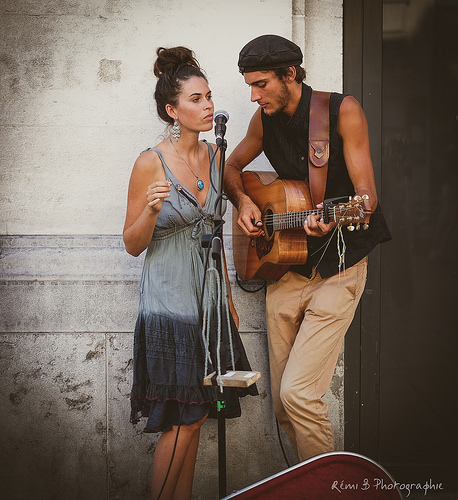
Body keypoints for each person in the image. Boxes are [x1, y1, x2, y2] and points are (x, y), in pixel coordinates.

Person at [224, 35, 391, 462]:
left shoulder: (341, 111)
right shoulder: (264, 120)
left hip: (338, 267)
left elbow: (366, 198)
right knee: (283, 407)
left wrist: (335, 215)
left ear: (290, 75)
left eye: (261, 84)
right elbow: (230, 167)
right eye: (249, 84)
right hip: (284, 267)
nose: (253, 95)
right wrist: (244, 201)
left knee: (299, 393)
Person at [123, 46, 257, 500]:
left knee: (198, 418)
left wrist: (230, 303)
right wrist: (151, 208)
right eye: (196, 99)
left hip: (210, 304)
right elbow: (132, 244)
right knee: (184, 418)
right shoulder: (149, 163)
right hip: (169, 306)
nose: (208, 106)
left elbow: (216, 235)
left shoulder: (215, 158)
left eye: (209, 97)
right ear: (171, 110)